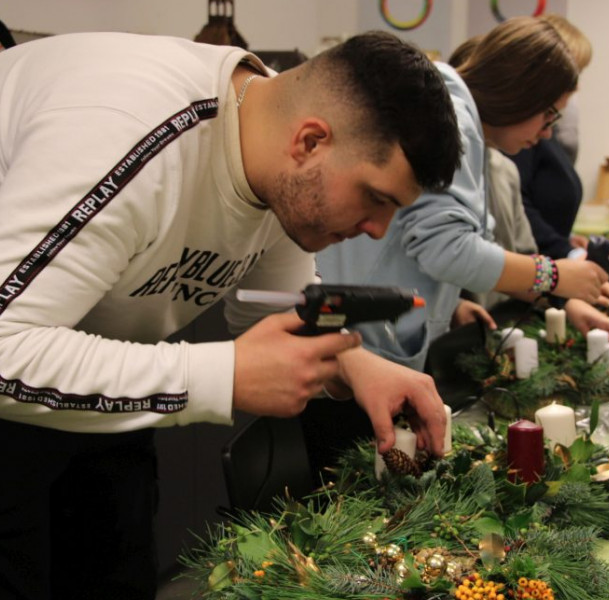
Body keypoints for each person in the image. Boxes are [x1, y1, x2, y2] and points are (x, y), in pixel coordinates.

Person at [0, 30, 462, 599]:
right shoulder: (126, 130)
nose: (378, 229)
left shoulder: (278, 164)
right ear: (311, 142)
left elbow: (274, 314)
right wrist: (220, 376)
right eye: (375, 198)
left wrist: (353, 366)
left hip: (99, 397)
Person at [317, 17, 609, 376]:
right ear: (522, 93)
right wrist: (552, 276)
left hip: (372, 340)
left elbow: (463, 246)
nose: (547, 133)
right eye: (549, 114)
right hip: (361, 350)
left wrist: (562, 300)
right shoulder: (453, 121)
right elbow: (446, 250)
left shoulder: (467, 125)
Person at [510, 13, 593, 260]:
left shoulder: (543, 130)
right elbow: (519, 211)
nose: (575, 87)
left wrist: (564, 243)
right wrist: (568, 255)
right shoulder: (519, 135)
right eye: (573, 73)